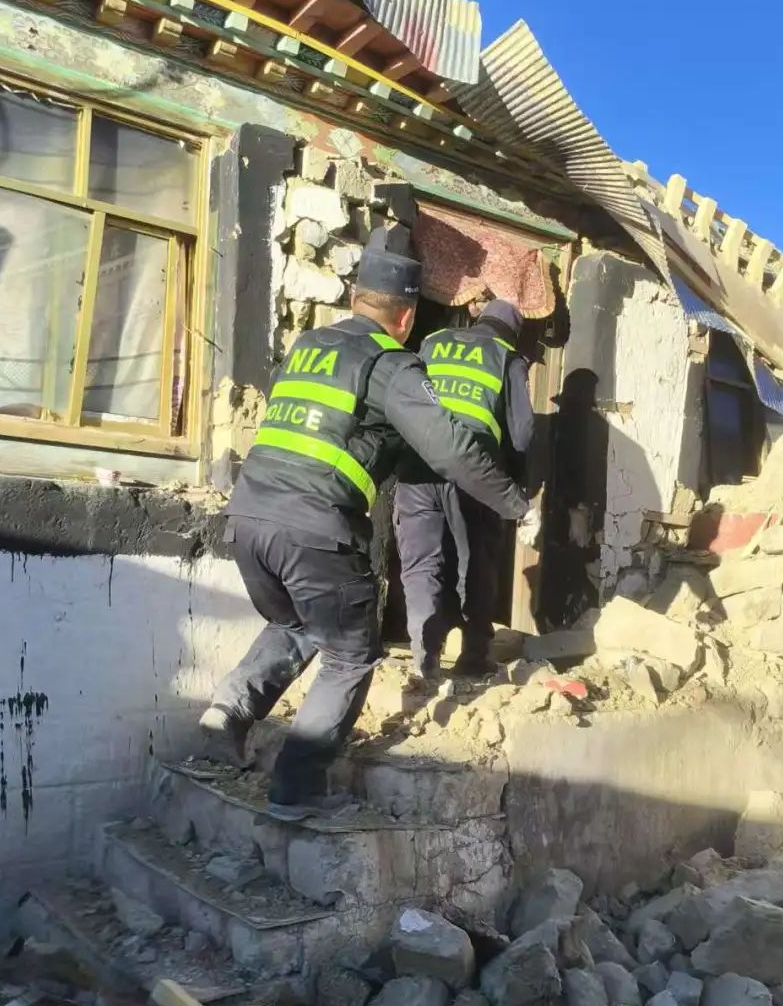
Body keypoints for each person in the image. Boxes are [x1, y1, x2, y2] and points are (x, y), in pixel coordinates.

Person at [199, 232, 529, 820]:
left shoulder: (310, 346)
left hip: (249, 516)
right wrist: (513, 503)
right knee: (351, 654)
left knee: (297, 621)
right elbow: (451, 448)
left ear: (355, 298)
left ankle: (227, 711)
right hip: (314, 526)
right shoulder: (390, 363)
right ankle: (296, 789)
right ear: (406, 317)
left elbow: (339, 430)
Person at [394, 299, 535, 680]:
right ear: (513, 334)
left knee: (421, 563)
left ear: (480, 319)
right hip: (475, 466)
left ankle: (424, 655)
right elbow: (522, 433)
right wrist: (514, 481)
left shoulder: (434, 340)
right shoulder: (508, 357)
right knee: (476, 562)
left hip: (418, 461)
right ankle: (473, 658)